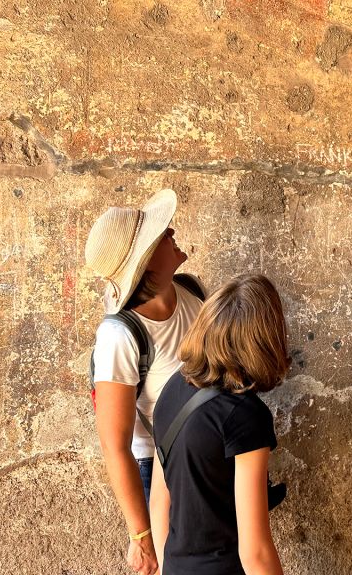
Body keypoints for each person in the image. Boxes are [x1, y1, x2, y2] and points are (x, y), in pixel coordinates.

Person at [86, 189, 204, 575]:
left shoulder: (192, 292)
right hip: (162, 472)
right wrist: (141, 536)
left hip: (201, 459)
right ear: (145, 266)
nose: (169, 230)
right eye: (159, 235)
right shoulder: (121, 337)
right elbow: (115, 446)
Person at [150, 274, 290, 575]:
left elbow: (160, 500)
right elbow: (255, 552)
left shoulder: (173, 388)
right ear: (265, 340)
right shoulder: (245, 416)